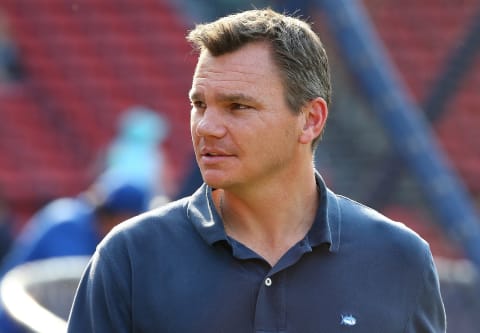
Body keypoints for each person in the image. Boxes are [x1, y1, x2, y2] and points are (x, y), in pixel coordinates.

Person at [67, 9, 446, 332]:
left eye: (237, 106)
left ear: (311, 120)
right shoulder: (130, 258)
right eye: (199, 104)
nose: (206, 127)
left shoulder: (400, 258)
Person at [0, 172, 150, 332]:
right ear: (122, 216)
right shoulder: (68, 225)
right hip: (12, 322)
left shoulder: (95, 232)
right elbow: (73, 297)